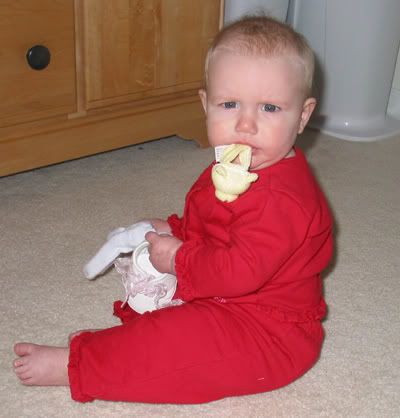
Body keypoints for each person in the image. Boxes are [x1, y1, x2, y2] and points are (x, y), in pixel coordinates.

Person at [13, 15, 333, 403]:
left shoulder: (284, 200)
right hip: (220, 297)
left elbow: (240, 270)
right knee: (164, 327)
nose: (245, 125)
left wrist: (179, 260)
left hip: (269, 332)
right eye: (229, 104)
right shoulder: (234, 167)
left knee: (176, 345)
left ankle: (76, 366)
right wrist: (173, 229)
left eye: (269, 107)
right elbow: (215, 225)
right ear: (205, 104)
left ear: (302, 116)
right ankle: (120, 349)